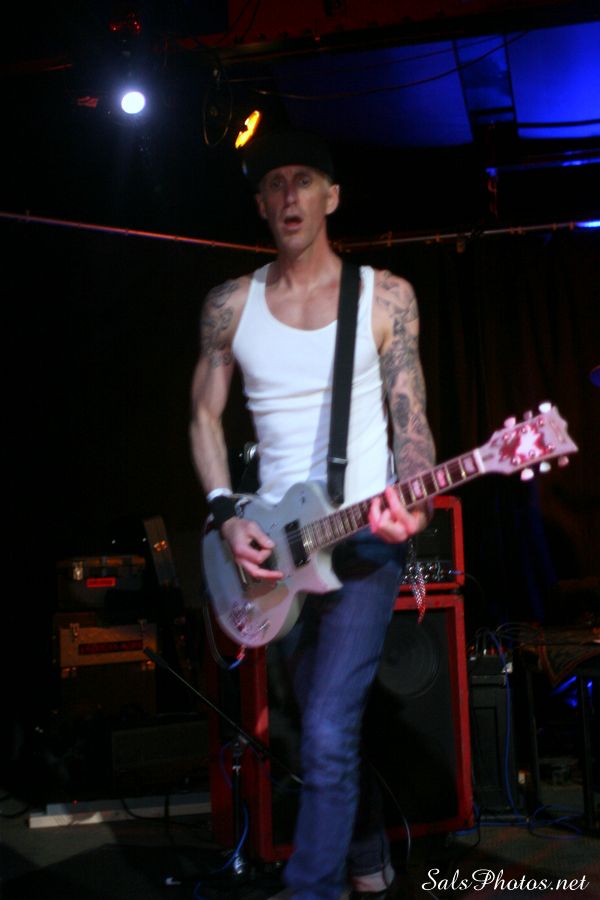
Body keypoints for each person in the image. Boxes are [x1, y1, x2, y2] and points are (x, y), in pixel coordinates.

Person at [190, 130, 436, 900]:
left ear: (332, 196)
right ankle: (367, 862)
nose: (289, 194)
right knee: (318, 728)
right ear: (261, 204)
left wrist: (415, 503)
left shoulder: (385, 297)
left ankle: (313, 889)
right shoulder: (230, 305)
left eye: (303, 179)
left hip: (363, 540)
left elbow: (412, 421)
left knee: (327, 727)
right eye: (274, 183)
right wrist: (224, 514)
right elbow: (203, 415)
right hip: (275, 547)